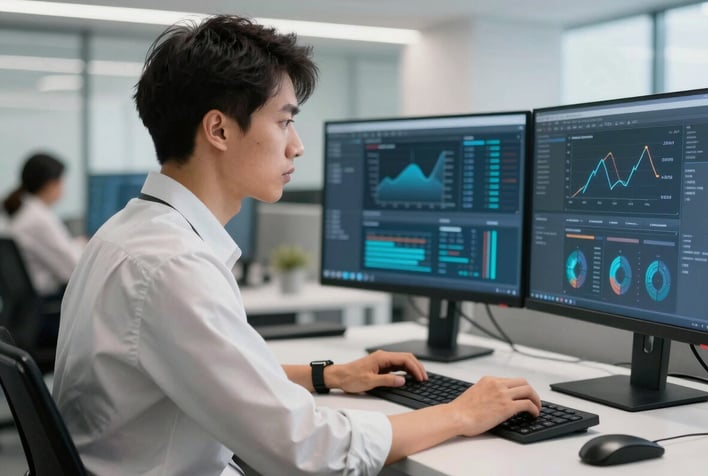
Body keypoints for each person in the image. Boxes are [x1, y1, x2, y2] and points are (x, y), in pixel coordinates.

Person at [52, 14, 541, 476]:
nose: (297, 146)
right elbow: (309, 453)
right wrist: (460, 413)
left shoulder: (132, 232)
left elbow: (220, 378)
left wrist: (330, 375)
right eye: (284, 121)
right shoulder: (173, 265)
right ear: (218, 129)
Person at [2, 152, 83, 298]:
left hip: (24, 305)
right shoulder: (39, 219)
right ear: (50, 185)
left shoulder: (18, 209)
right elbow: (73, 270)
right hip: (47, 303)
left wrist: (76, 245)